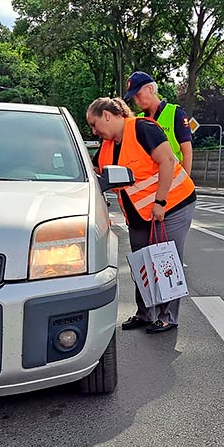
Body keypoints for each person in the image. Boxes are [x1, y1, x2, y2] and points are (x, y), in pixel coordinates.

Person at [87, 97, 196, 334]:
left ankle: (167, 316)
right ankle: (145, 313)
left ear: (107, 115)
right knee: (143, 265)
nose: (94, 131)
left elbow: (167, 160)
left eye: (95, 124)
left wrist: (160, 202)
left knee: (166, 261)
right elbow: (96, 174)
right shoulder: (107, 146)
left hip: (173, 205)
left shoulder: (143, 128)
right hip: (139, 215)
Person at [123, 71, 193, 176]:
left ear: (150, 89)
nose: (136, 101)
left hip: (174, 179)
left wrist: (185, 182)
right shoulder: (138, 120)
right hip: (150, 183)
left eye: (138, 95)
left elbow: (187, 152)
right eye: (134, 98)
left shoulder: (175, 113)